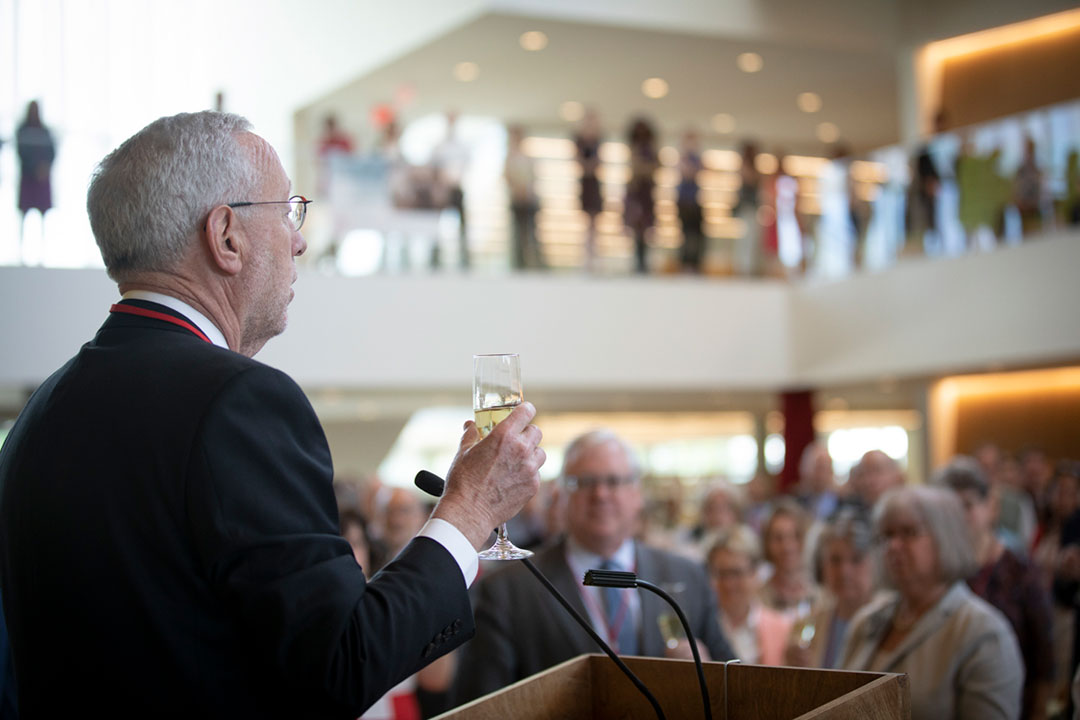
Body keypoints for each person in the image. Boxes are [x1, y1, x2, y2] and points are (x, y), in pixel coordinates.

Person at [0, 111, 545, 718]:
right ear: (226, 236)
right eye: (288, 210)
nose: (300, 239)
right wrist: (469, 512)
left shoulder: (40, 412)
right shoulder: (238, 400)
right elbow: (341, 664)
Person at [451, 430, 733, 705]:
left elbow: (733, 683)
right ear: (561, 496)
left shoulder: (687, 575)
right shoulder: (507, 589)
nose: (600, 494)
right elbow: (482, 703)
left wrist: (703, 672)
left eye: (613, 481)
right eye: (585, 482)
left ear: (637, 494)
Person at [839, 486, 1023, 720]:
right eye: (887, 535)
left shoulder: (983, 633)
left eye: (908, 533)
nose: (893, 546)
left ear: (944, 537)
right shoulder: (866, 621)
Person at [936, 456, 1054, 720]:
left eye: (967, 505)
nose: (958, 517)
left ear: (992, 506)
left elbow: (1044, 658)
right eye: (949, 508)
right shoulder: (939, 572)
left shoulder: (1020, 571)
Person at [786, 510, 875, 669]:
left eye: (856, 559)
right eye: (835, 560)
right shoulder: (809, 622)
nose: (844, 571)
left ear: (874, 563)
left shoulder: (888, 621)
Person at [706, 525, 792, 665]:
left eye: (736, 573)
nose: (728, 583)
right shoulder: (702, 626)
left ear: (754, 574)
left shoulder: (782, 627)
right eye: (722, 573)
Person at [758, 498, 818, 619]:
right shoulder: (757, 598)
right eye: (778, 538)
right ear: (767, 543)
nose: (787, 546)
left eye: (794, 536)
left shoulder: (820, 598)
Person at [16, 100, 56, 254]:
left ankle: (42, 249)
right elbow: (21, 152)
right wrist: (34, 168)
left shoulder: (44, 131)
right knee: (25, 212)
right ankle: (21, 250)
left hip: (42, 176)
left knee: (43, 213)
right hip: (29, 176)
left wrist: (44, 168)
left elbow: (52, 151)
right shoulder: (23, 130)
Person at [504, 124, 542, 270]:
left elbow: (533, 177)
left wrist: (527, 191)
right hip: (516, 199)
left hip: (529, 199)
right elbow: (507, 177)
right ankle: (518, 264)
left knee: (532, 232)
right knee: (517, 233)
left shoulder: (528, 158)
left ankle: (536, 263)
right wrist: (517, 189)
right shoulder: (509, 158)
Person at [624, 118, 658, 274]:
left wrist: (642, 168)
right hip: (636, 190)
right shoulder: (633, 148)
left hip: (647, 190)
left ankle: (644, 261)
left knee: (647, 225)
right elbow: (635, 167)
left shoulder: (652, 149)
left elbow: (653, 168)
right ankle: (637, 260)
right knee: (635, 224)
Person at [575, 109, 603, 271]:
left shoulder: (598, 140)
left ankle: (595, 256)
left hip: (594, 182)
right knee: (586, 220)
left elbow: (598, 163)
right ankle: (586, 257)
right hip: (585, 183)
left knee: (595, 221)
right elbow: (579, 161)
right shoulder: (579, 140)